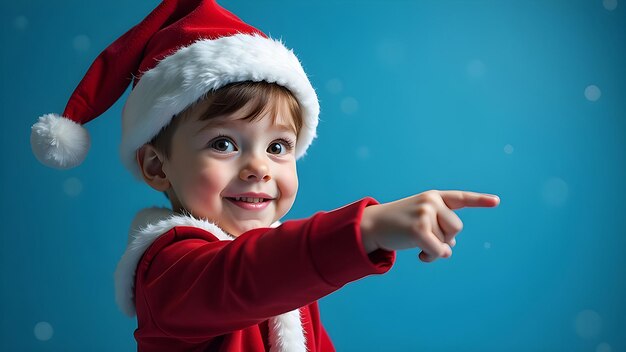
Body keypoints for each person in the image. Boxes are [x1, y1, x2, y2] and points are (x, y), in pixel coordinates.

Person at [29, 0, 500, 351]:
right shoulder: (168, 270)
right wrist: (367, 228)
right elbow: (243, 277)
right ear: (157, 166)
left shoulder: (288, 277)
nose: (258, 168)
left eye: (278, 147)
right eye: (223, 144)